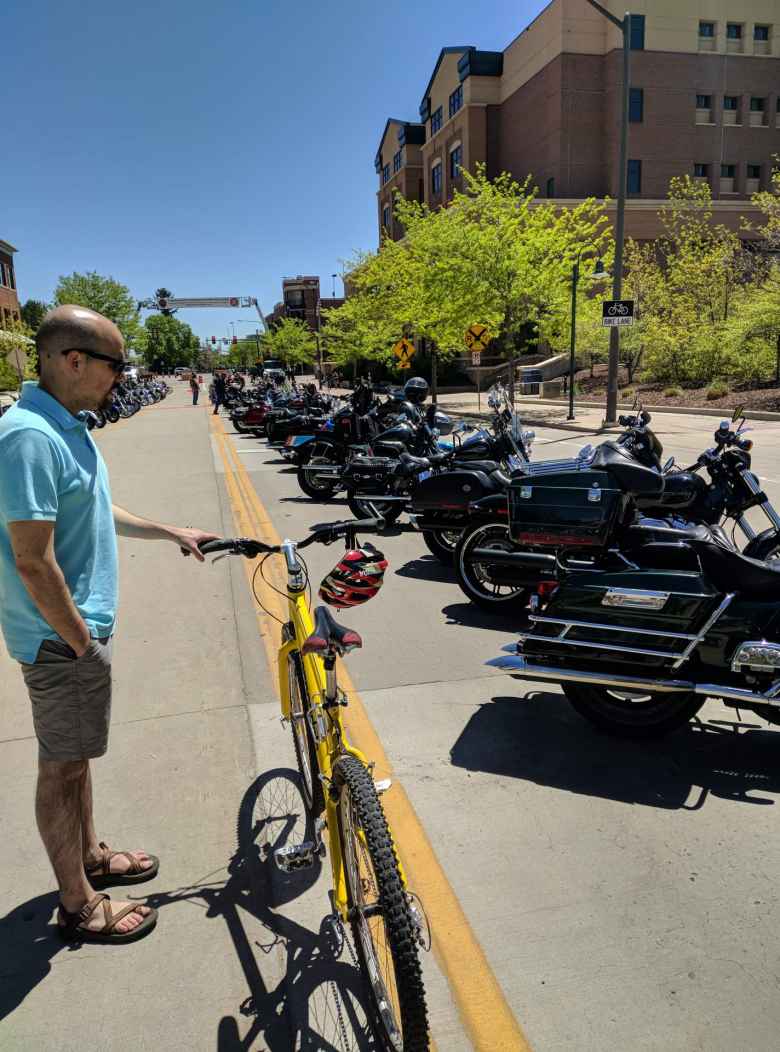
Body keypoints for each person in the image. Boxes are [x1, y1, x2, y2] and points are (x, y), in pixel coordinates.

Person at [0, 305, 220, 944]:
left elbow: (92, 504)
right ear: (73, 361)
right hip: (59, 639)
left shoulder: (65, 425)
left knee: (76, 759)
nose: (120, 378)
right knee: (61, 768)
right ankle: (77, 901)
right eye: (114, 365)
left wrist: (168, 530)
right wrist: (79, 643)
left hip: (75, 635)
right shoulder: (29, 436)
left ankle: (91, 856)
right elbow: (33, 560)